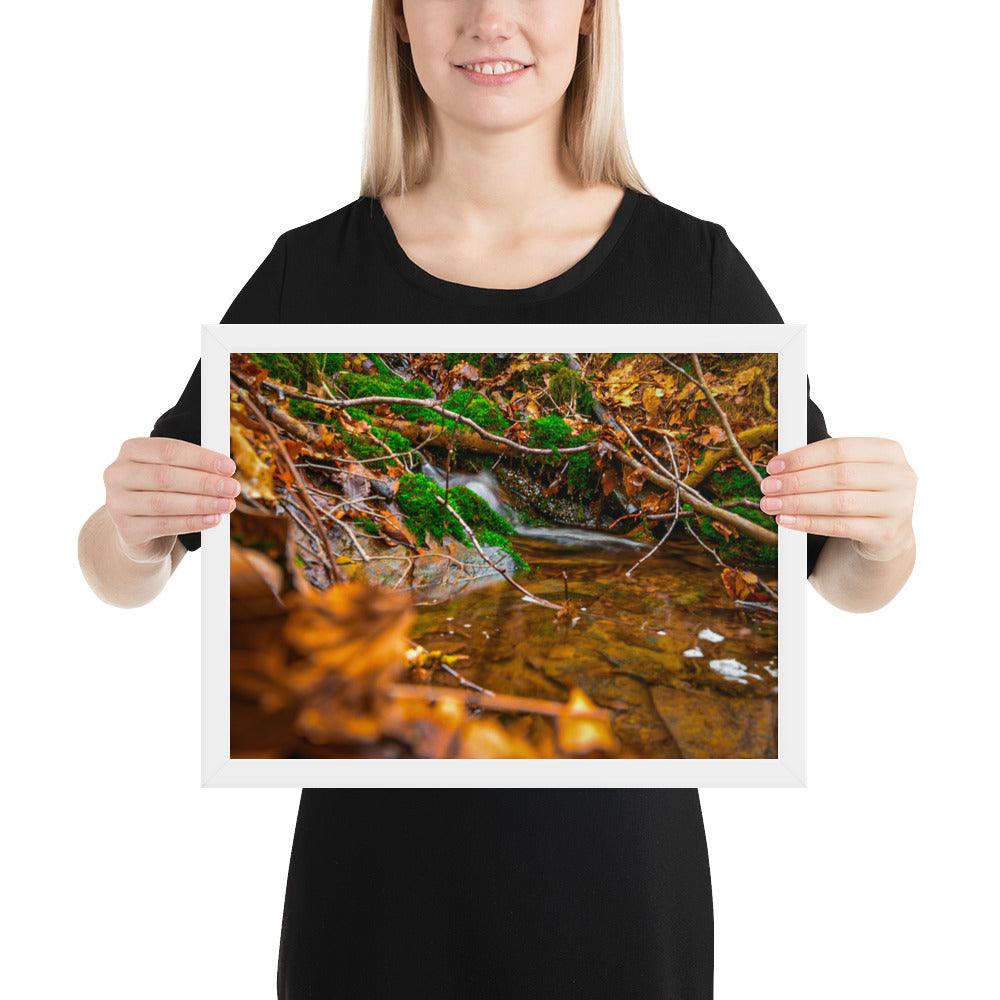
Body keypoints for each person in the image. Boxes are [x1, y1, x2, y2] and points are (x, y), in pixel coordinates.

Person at [78, 1, 917, 996]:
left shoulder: (691, 271)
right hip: (372, 898)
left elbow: (844, 578)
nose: (491, 19)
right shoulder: (311, 272)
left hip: (618, 897)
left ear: (590, 19)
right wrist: (132, 529)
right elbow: (120, 567)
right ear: (397, 20)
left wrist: (884, 530)